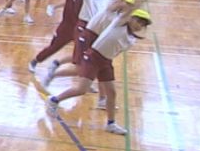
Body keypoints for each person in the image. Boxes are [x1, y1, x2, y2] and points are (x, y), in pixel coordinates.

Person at [46, 7, 152, 135]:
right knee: (81, 89)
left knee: (111, 92)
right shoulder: (118, 24)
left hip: (106, 61)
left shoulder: (132, 39)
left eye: (143, 24)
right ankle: (54, 100)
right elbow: (130, 8)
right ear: (130, 18)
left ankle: (111, 124)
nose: (139, 25)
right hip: (93, 58)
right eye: (138, 21)